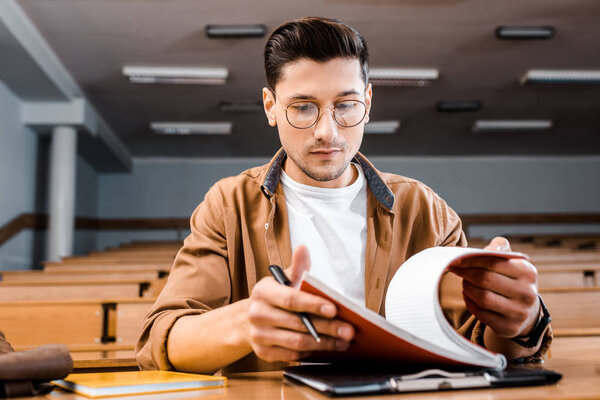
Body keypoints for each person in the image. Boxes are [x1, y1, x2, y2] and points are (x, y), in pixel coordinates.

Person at [136, 16, 551, 374]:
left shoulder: (425, 210)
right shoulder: (228, 204)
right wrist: (244, 322)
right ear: (269, 106)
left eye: (346, 105)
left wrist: (521, 319)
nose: (327, 132)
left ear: (367, 102)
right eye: (302, 107)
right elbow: (162, 339)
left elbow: (478, 348)